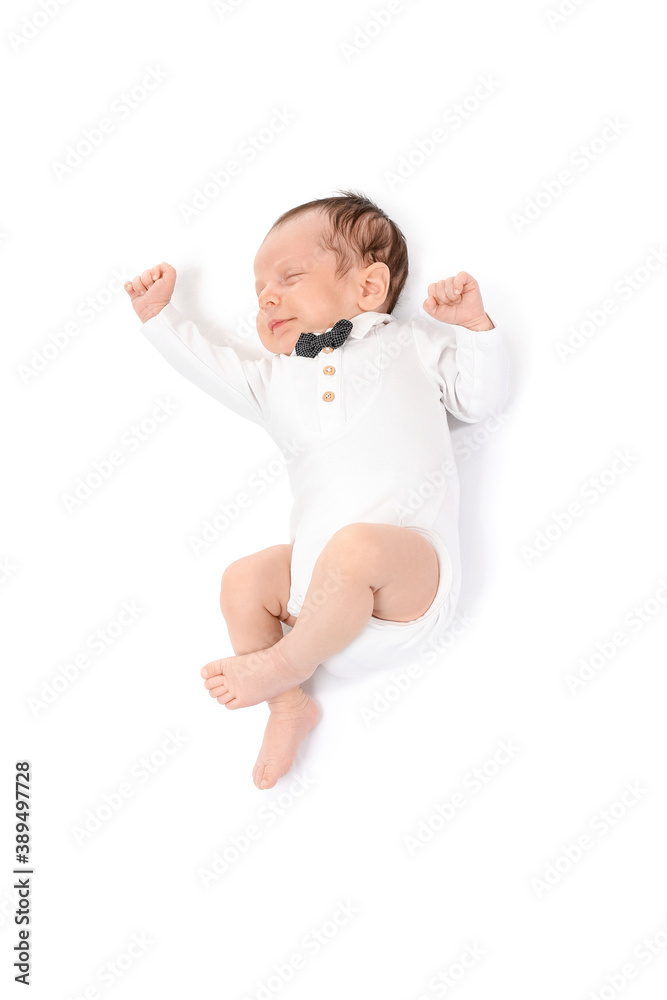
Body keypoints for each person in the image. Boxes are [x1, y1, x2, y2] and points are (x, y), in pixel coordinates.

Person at [124, 189, 510, 791]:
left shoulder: (411, 345)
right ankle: (288, 704)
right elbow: (209, 365)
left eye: (289, 276)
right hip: (313, 606)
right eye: (259, 292)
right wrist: (160, 317)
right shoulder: (273, 379)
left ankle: (280, 667)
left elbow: (478, 399)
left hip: (409, 589)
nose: (268, 296)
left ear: (368, 288)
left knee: (357, 548)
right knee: (244, 579)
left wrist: (475, 329)